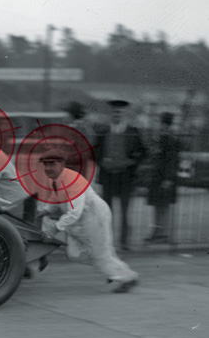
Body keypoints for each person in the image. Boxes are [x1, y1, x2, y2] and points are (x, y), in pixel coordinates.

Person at [38, 149, 139, 293]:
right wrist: (46, 210)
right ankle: (111, 263)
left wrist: (55, 228)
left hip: (94, 216)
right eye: (45, 164)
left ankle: (128, 277)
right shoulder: (56, 179)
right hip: (82, 220)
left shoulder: (72, 180)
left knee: (99, 255)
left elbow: (74, 212)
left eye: (52, 164)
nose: (48, 168)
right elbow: (57, 198)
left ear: (61, 164)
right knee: (75, 254)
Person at [95, 99, 147, 250]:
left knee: (125, 211)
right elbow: (94, 151)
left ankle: (124, 242)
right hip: (108, 176)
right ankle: (107, 243)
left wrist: (131, 162)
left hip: (125, 177)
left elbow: (143, 152)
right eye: (114, 112)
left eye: (120, 112)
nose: (117, 114)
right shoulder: (103, 131)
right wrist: (102, 161)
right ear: (110, 114)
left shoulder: (132, 131)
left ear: (125, 114)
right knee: (107, 212)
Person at [145, 112, 181, 242]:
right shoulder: (162, 139)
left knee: (163, 206)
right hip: (159, 177)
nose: (163, 128)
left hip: (164, 177)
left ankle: (162, 234)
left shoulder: (170, 140)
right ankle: (158, 232)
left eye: (164, 125)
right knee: (158, 205)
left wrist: (168, 179)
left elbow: (172, 161)